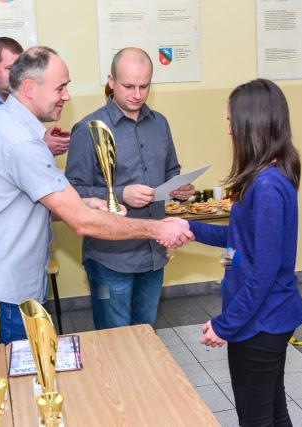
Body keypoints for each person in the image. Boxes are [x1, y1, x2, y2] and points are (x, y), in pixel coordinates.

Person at [0, 46, 193, 345]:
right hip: (3, 289)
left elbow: (42, 200)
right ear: (29, 88)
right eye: (60, 88)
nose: (66, 96)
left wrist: (88, 202)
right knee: (18, 370)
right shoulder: (21, 142)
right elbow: (80, 221)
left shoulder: (5, 125)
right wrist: (157, 229)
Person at [166, 79, 302, 426]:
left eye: (233, 122)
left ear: (252, 124)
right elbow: (241, 239)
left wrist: (225, 325)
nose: (229, 131)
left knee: (255, 418)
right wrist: (190, 228)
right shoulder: (268, 175)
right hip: (267, 317)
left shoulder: (267, 186)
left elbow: (263, 272)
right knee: (274, 411)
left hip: (262, 321)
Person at [65, 47, 194, 330]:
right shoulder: (88, 128)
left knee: (145, 334)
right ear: (111, 81)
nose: (137, 94)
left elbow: (171, 171)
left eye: (144, 86)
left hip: (153, 254)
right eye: (128, 86)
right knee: (114, 338)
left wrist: (179, 188)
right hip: (110, 259)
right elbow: (72, 193)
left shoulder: (159, 123)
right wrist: (121, 194)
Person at [0, 36, 70, 159]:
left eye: (20, 70)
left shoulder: (13, 97)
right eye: (10, 69)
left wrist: (41, 137)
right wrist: (43, 147)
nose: (18, 76)